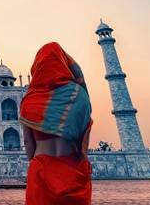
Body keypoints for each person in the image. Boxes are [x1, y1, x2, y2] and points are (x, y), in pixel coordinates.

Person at [19, 42, 93, 205]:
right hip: (73, 170)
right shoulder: (79, 96)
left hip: (42, 170)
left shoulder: (30, 100)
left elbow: (28, 145)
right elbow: (84, 138)